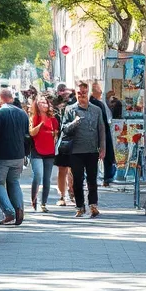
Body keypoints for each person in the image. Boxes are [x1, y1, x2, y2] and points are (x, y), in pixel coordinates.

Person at [59, 80, 107, 218]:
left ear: (89, 93)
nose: (82, 95)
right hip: (75, 151)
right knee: (78, 180)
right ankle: (80, 206)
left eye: (84, 92)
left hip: (92, 150)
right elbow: (64, 129)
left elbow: (101, 130)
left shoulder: (96, 110)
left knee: (92, 179)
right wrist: (74, 123)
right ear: (76, 93)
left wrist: (102, 148)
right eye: (79, 92)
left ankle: (93, 205)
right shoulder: (70, 109)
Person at [0, 89, 30, 226]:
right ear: (11, 98)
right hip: (18, 154)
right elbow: (27, 136)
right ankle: (19, 209)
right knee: (14, 182)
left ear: (1, 99)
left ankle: (9, 212)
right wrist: (26, 153)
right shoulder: (23, 114)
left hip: (1, 155)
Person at [29, 96, 59, 212]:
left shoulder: (53, 119)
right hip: (37, 150)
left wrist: (54, 134)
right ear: (37, 105)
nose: (44, 104)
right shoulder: (34, 117)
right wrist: (41, 124)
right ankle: (34, 199)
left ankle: (43, 203)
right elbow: (32, 133)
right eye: (41, 103)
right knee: (38, 175)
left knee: (47, 179)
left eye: (45, 102)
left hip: (49, 151)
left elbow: (56, 134)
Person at [94, 84, 118, 185]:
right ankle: (106, 178)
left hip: (98, 133)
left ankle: (103, 178)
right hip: (100, 133)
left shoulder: (100, 104)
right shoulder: (99, 104)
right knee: (104, 156)